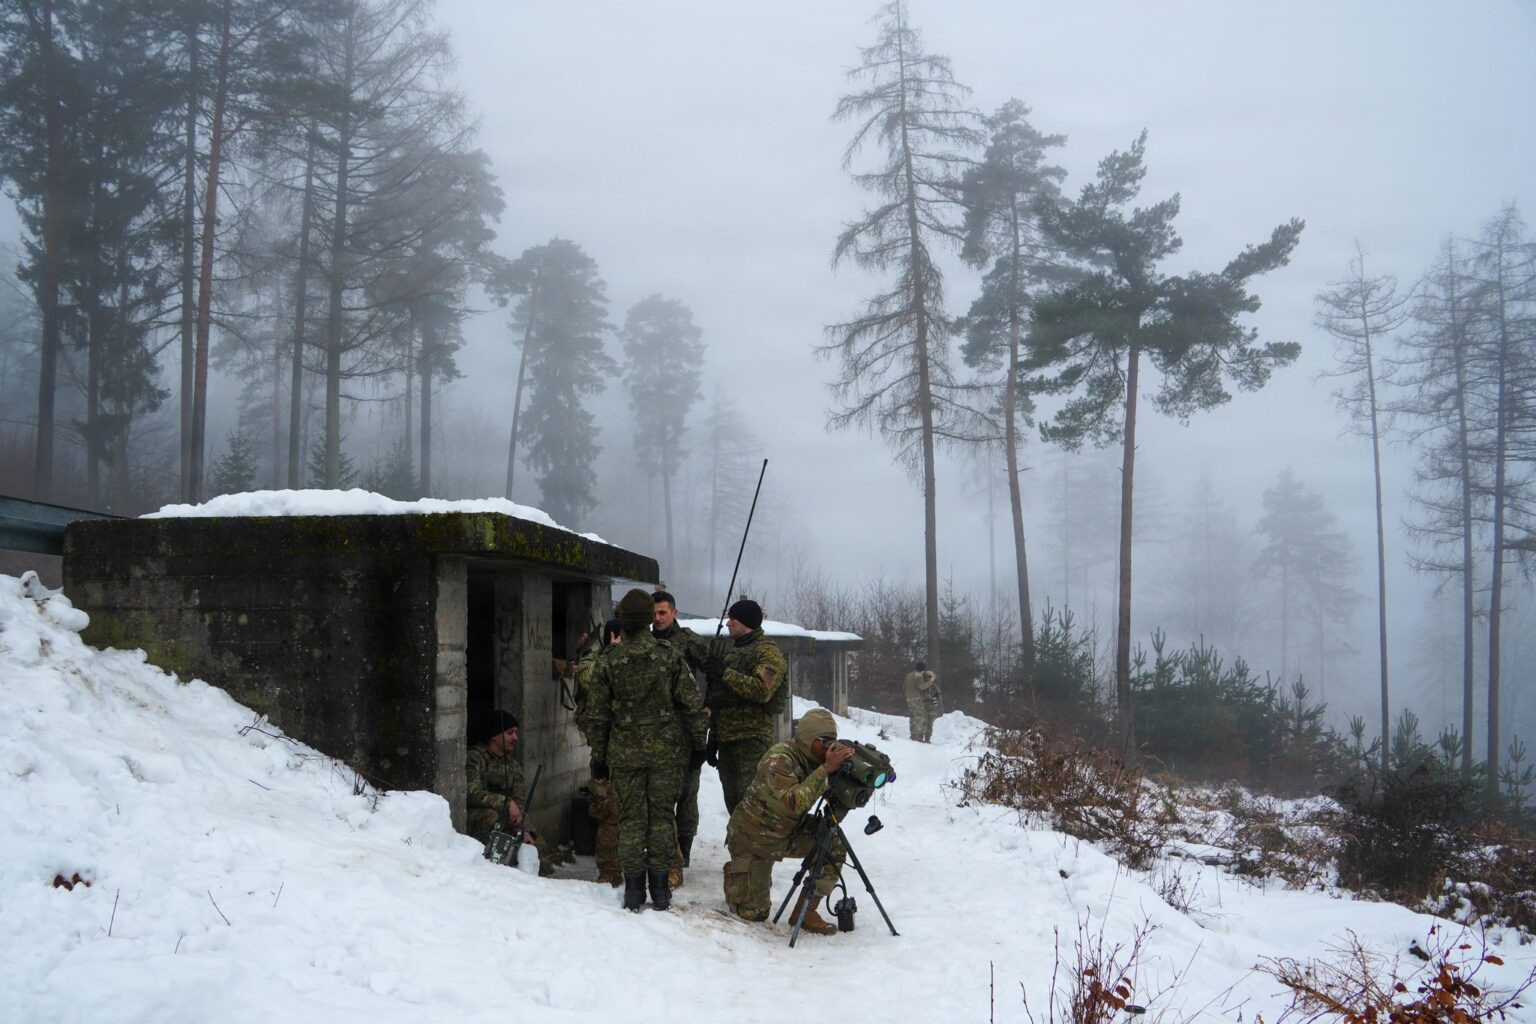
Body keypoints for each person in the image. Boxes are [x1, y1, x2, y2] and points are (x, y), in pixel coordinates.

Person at [587, 588, 709, 912]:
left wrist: (597, 757)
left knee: (629, 820)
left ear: (623, 620)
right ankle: (660, 891)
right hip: (666, 755)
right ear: (648, 621)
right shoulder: (669, 656)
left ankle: (633, 892)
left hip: (624, 755)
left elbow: (596, 716)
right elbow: (692, 704)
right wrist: (700, 745)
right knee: (661, 819)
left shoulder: (608, 661)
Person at [723, 707, 855, 935]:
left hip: (789, 832)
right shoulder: (779, 758)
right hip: (754, 839)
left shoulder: (815, 761)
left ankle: (805, 911)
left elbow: (828, 804)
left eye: (832, 742)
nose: (828, 748)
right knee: (754, 912)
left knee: (831, 842)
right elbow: (792, 802)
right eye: (823, 741)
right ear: (807, 739)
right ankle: (735, 875)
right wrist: (826, 770)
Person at [703, 598, 788, 814]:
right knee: (734, 808)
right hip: (728, 742)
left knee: (753, 808)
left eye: (733, 618)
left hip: (751, 742)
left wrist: (724, 672)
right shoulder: (734, 652)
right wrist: (713, 739)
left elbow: (762, 690)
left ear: (746, 622)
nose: (728, 623)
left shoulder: (766, 651)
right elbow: (721, 700)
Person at [651, 590, 709, 871]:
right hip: (654, 734)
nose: (658, 618)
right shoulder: (644, 641)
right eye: (654, 613)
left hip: (686, 731)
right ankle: (663, 851)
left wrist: (707, 710)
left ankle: (683, 850)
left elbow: (711, 669)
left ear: (674, 613)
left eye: (663, 613)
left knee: (687, 795)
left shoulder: (688, 641)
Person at [465, 710, 556, 876]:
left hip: (507, 822)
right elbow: (471, 792)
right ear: (494, 735)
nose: (515, 738)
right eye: (510, 733)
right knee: (490, 817)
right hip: (480, 819)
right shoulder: (475, 758)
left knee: (539, 848)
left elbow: (520, 804)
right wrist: (506, 803)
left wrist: (526, 830)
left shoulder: (513, 767)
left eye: (516, 733)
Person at [571, 619, 623, 885]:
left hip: (631, 749)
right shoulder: (595, 658)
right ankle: (609, 869)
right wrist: (610, 653)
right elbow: (589, 680)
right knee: (606, 808)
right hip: (604, 749)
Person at [904, 660, 940, 743]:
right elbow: (922, 687)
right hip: (916, 698)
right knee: (919, 716)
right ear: (922, 670)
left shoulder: (908, 675)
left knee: (913, 715)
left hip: (908, 698)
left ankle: (913, 734)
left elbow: (904, 687)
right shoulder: (918, 676)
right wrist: (931, 681)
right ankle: (916, 736)